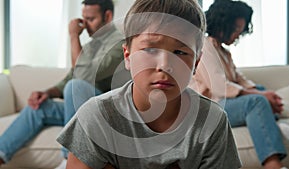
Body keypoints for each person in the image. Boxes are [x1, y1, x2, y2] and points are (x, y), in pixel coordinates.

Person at [56, 0, 242, 169]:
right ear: (127, 56)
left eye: (179, 52)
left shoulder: (212, 121)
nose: (165, 65)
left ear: (196, 62)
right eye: (150, 49)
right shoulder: (95, 117)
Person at [0, 0, 127, 168]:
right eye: (83, 19)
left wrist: (73, 36)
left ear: (108, 16)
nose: (84, 26)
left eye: (90, 19)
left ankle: (70, 159)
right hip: (84, 111)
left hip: (107, 112)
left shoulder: (119, 43)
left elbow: (82, 75)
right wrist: (47, 92)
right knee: (39, 108)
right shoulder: (90, 47)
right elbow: (68, 78)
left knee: (76, 86)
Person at [188, 1, 289, 169]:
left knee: (260, 91)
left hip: (225, 103)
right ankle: (273, 165)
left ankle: (271, 122)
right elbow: (219, 86)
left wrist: (261, 91)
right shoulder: (204, 46)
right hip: (210, 107)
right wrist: (260, 96)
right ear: (222, 24)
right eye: (235, 30)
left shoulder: (224, 51)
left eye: (240, 32)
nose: (237, 36)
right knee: (256, 101)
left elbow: (239, 79)